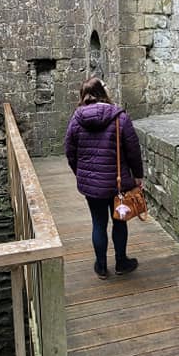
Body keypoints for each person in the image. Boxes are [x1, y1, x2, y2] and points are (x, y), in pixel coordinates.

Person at [65, 77, 144, 279]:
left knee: (98, 223)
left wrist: (80, 173)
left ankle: (101, 267)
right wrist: (138, 175)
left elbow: (70, 152)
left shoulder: (76, 119)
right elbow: (133, 150)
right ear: (103, 92)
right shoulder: (120, 118)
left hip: (91, 185)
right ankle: (121, 263)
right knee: (120, 221)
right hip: (118, 183)